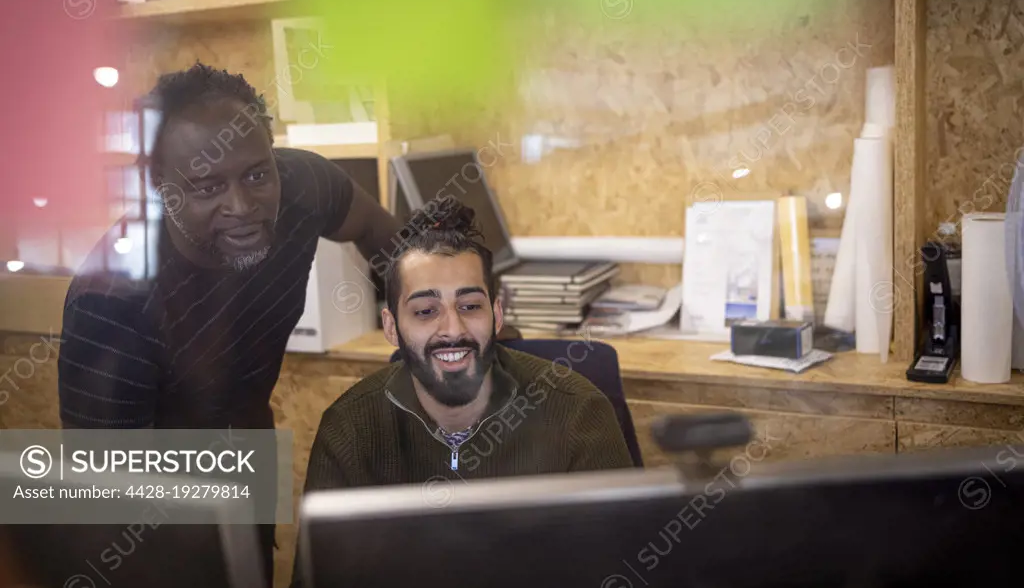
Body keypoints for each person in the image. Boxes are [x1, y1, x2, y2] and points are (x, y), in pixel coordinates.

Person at [55, 62, 404, 583]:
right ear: (159, 184)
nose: (241, 206)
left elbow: (381, 231)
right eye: (206, 186)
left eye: (256, 175)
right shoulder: (112, 302)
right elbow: (108, 498)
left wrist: (427, 329)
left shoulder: (301, 183)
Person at [298, 196, 633, 491]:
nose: (453, 329)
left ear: (497, 315)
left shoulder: (578, 414)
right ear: (391, 326)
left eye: (470, 306)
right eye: (426, 311)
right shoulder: (350, 429)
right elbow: (324, 564)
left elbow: (620, 556)